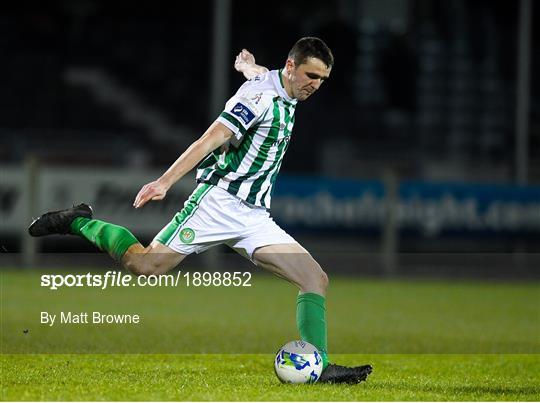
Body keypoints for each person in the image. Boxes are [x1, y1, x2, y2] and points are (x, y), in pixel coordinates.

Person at [29, 37, 373, 384]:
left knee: (314, 279)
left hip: (254, 218)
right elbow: (210, 138)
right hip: (218, 204)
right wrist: (165, 181)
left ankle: (320, 366)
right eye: (311, 75)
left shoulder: (281, 85)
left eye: (322, 79)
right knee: (145, 265)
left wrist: (245, 67)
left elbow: (263, 76)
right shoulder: (257, 97)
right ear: (290, 67)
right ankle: (78, 223)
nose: (315, 85)